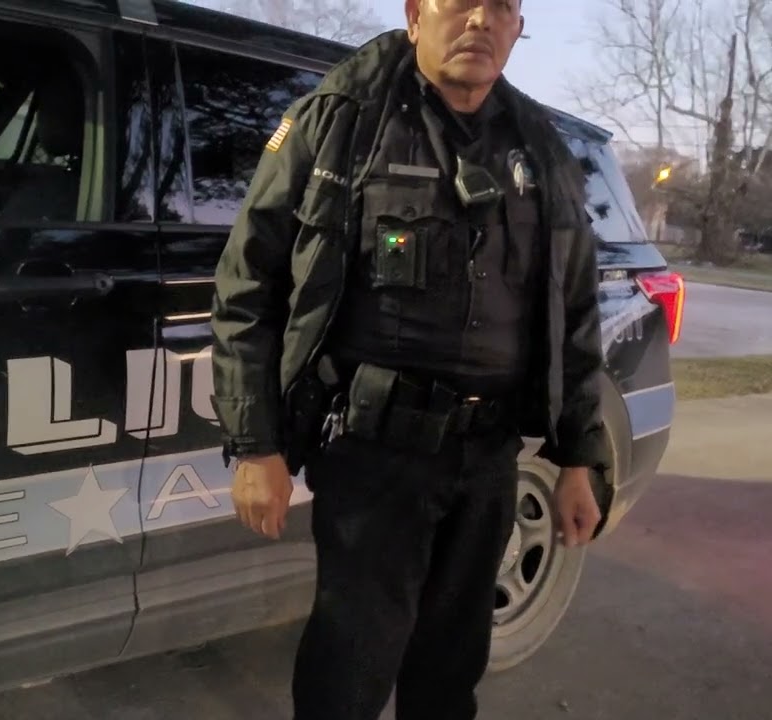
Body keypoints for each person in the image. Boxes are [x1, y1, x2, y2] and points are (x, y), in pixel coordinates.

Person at [209, 1, 607, 718]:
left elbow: (573, 312)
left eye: (504, 8)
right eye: (461, 4)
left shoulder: (538, 149)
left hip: (488, 459)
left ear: (519, 28)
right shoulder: (341, 121)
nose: (481, 21)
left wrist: (582, 457)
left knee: (450, 673)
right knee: (348, 671)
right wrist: (255, 444)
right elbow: (248, 286)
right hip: (375, 456)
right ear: (418, 14)